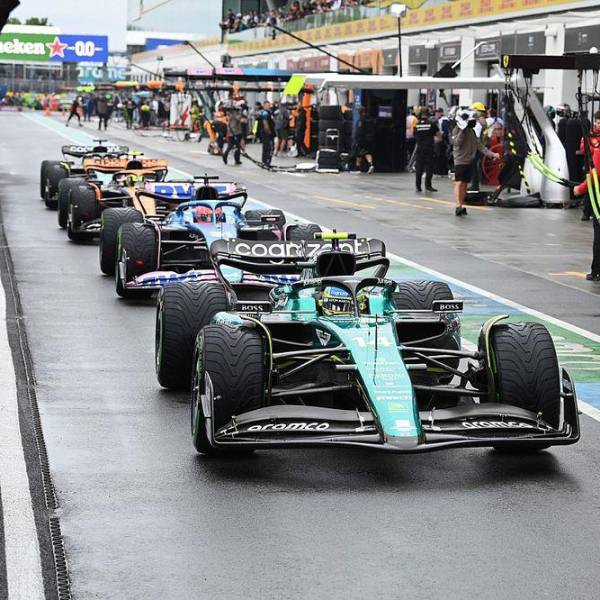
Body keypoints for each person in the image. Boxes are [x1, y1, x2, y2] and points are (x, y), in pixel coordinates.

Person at [452, 109, 500, 216]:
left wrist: (492, 154)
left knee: (465, 184)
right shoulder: (457, 130)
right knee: (459, 183)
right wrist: (462, 130)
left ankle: (461, 204)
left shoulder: (472, 132)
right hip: (460, 160)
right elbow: (456, 143)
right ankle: (458, 205)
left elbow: (479, 146)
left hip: (470, 160)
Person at [573, 111, 600, 279]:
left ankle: (596, 270)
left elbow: (596, 174)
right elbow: (583, 148)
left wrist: (580, 189)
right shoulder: (591, 138)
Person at [414, 108, 440, 192]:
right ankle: (428, 186)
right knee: (429, 167)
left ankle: (418, 186)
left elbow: (415, 135)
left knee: (419, 167)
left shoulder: (417, 125)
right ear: (428, 114)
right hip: (429, 148)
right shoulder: (431, 124)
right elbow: (439, 137)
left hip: (419, 148)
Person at [354, 106, 375, 173]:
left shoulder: (361, 120)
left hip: (361, 139)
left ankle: (357, 168)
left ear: (359, 112)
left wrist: (357, 139)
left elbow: (359, 131)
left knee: (358, 153)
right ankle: (370, 165)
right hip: (369, 139)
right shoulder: (369, 119)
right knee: (367, 152)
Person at [257, 101, 276, 166]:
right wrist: (269, 131)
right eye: (267, 105)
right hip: (266, 133)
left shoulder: (268, 112)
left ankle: (265, 161)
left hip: (266, 132)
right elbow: (265, 122)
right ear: (264, 106)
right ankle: (267, 161)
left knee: (266, 147)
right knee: (269, 147)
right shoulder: (265, 113)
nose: (268, 106)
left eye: (269, 105)